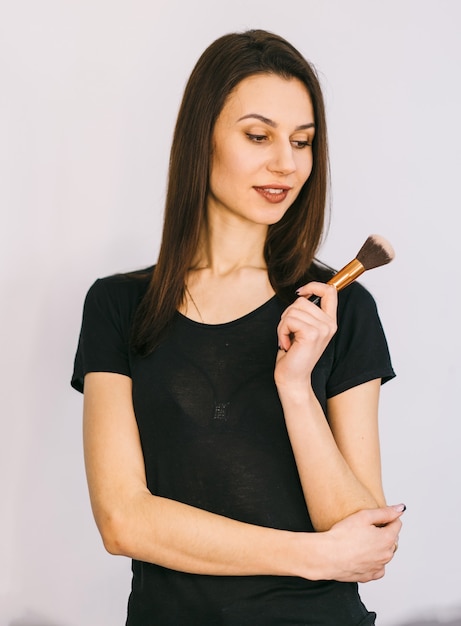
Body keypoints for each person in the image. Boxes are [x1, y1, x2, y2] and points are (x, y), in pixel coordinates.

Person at [71, 29, 404, 626]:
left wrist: (297, 387)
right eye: (258, 136)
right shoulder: (119, 307)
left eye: (302, 142)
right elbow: (123, 521)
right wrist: (312, 556)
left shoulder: (341, 311)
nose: (286, 163)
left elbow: (363, 539)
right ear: (203, 139)